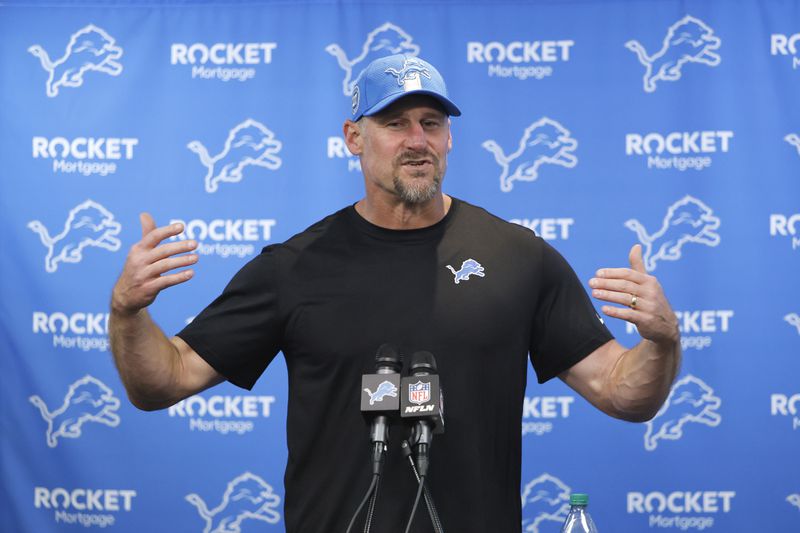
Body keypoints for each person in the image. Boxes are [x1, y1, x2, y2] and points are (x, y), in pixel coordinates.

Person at [109, 54, 680, 532]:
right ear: (353, 138)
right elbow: (164, 381)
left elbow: (622, 393)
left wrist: (661, 343)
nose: (417, 140)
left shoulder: (519, 257)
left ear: (450, 138)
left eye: (431, 122)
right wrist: (127, 312)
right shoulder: (294, 268)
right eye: (394, 122)